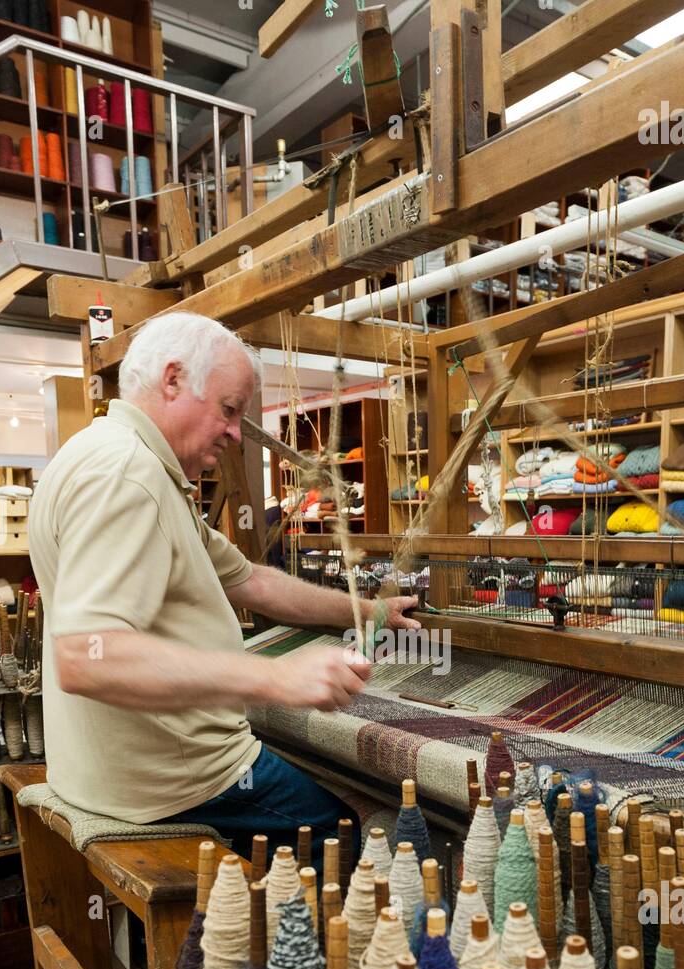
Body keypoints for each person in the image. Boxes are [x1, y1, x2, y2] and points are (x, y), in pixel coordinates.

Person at [29, 312, 419, 871]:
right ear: (172, 381)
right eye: (230, 410)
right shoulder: (127, 477)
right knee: (343, 834)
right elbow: (89, 656)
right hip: (171, 779)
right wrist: (278, 678)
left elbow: (251, 580)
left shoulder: (117, 460)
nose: (237, 432)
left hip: (107, 764)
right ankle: (289, 957)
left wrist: (363, 608)